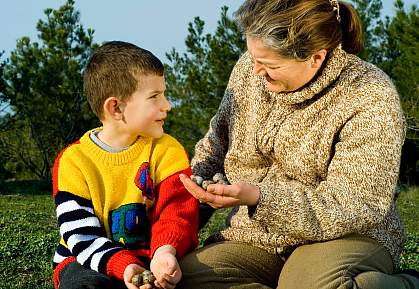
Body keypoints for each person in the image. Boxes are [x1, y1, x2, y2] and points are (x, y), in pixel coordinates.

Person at [177, 0, 419, 288]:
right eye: (252, 58)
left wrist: (260, 198)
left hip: (347, 232)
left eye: (270, 65)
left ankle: (407, 283)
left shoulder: (370, 95)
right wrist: (192, 193)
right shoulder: (249, 68)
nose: (255, 72)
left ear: (315, 57)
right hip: (258, 234)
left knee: (307, 284)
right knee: (186, 277)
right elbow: (216, 144)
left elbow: (354, 206)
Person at [51, 41, 199, 289]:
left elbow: (177, 212)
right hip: (87, 260)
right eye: (155, 96)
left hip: (153, 258)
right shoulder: (74, 161)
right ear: (115, 107)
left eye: (164, 93)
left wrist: (165, 252)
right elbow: (81, 236)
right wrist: (125, 266)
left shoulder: (168, 150)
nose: (167, 105)